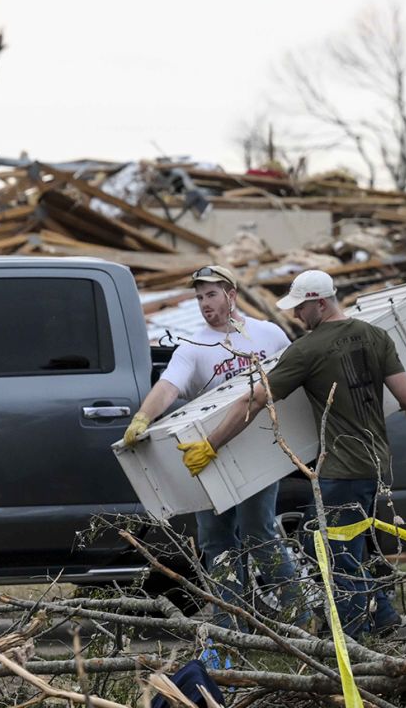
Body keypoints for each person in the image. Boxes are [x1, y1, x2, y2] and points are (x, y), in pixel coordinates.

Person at [177, 269, 406, 638]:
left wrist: (212, 443)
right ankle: (383, 613)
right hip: (378, 465)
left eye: (300, 307)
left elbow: (255, 399)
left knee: (330, 551)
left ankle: (356, 641)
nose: (294, 316)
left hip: (341, 469)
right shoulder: (376, 335)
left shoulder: (307, 349)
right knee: (341, 543)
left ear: (320, 304)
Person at [123, 265, 305, 626]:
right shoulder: (194, 346)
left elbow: (297, 375)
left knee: (259, 532)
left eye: (211, 295)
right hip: (209, 456)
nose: (204, 304)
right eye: (199, 297)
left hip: (257, 452)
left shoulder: (267, 335)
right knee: (216, 540)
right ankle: (229, 625)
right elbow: (169, 387)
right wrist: (144, 416)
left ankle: (300, 615)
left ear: (231, 294)